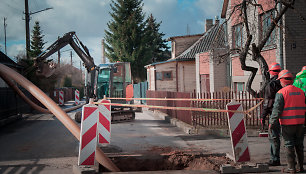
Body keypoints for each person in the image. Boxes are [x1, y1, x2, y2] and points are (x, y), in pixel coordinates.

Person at [269, 70, 306, 173]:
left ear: (282, 80)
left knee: (289, 144)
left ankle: (291, 168)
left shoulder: (281, 92)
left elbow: (277, 110)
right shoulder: (300, 91)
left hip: (288, 124)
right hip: (300, 123)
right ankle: (300, 167)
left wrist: (272, 123)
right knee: (299, 144)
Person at [261, 62, 283, 166]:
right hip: (287, 114)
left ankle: (275, 159)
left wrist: (263, 115)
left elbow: (268, 102)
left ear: (271, 72)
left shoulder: (271, 84)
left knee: (273, 137)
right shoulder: (285, 83)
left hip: (274, 114)